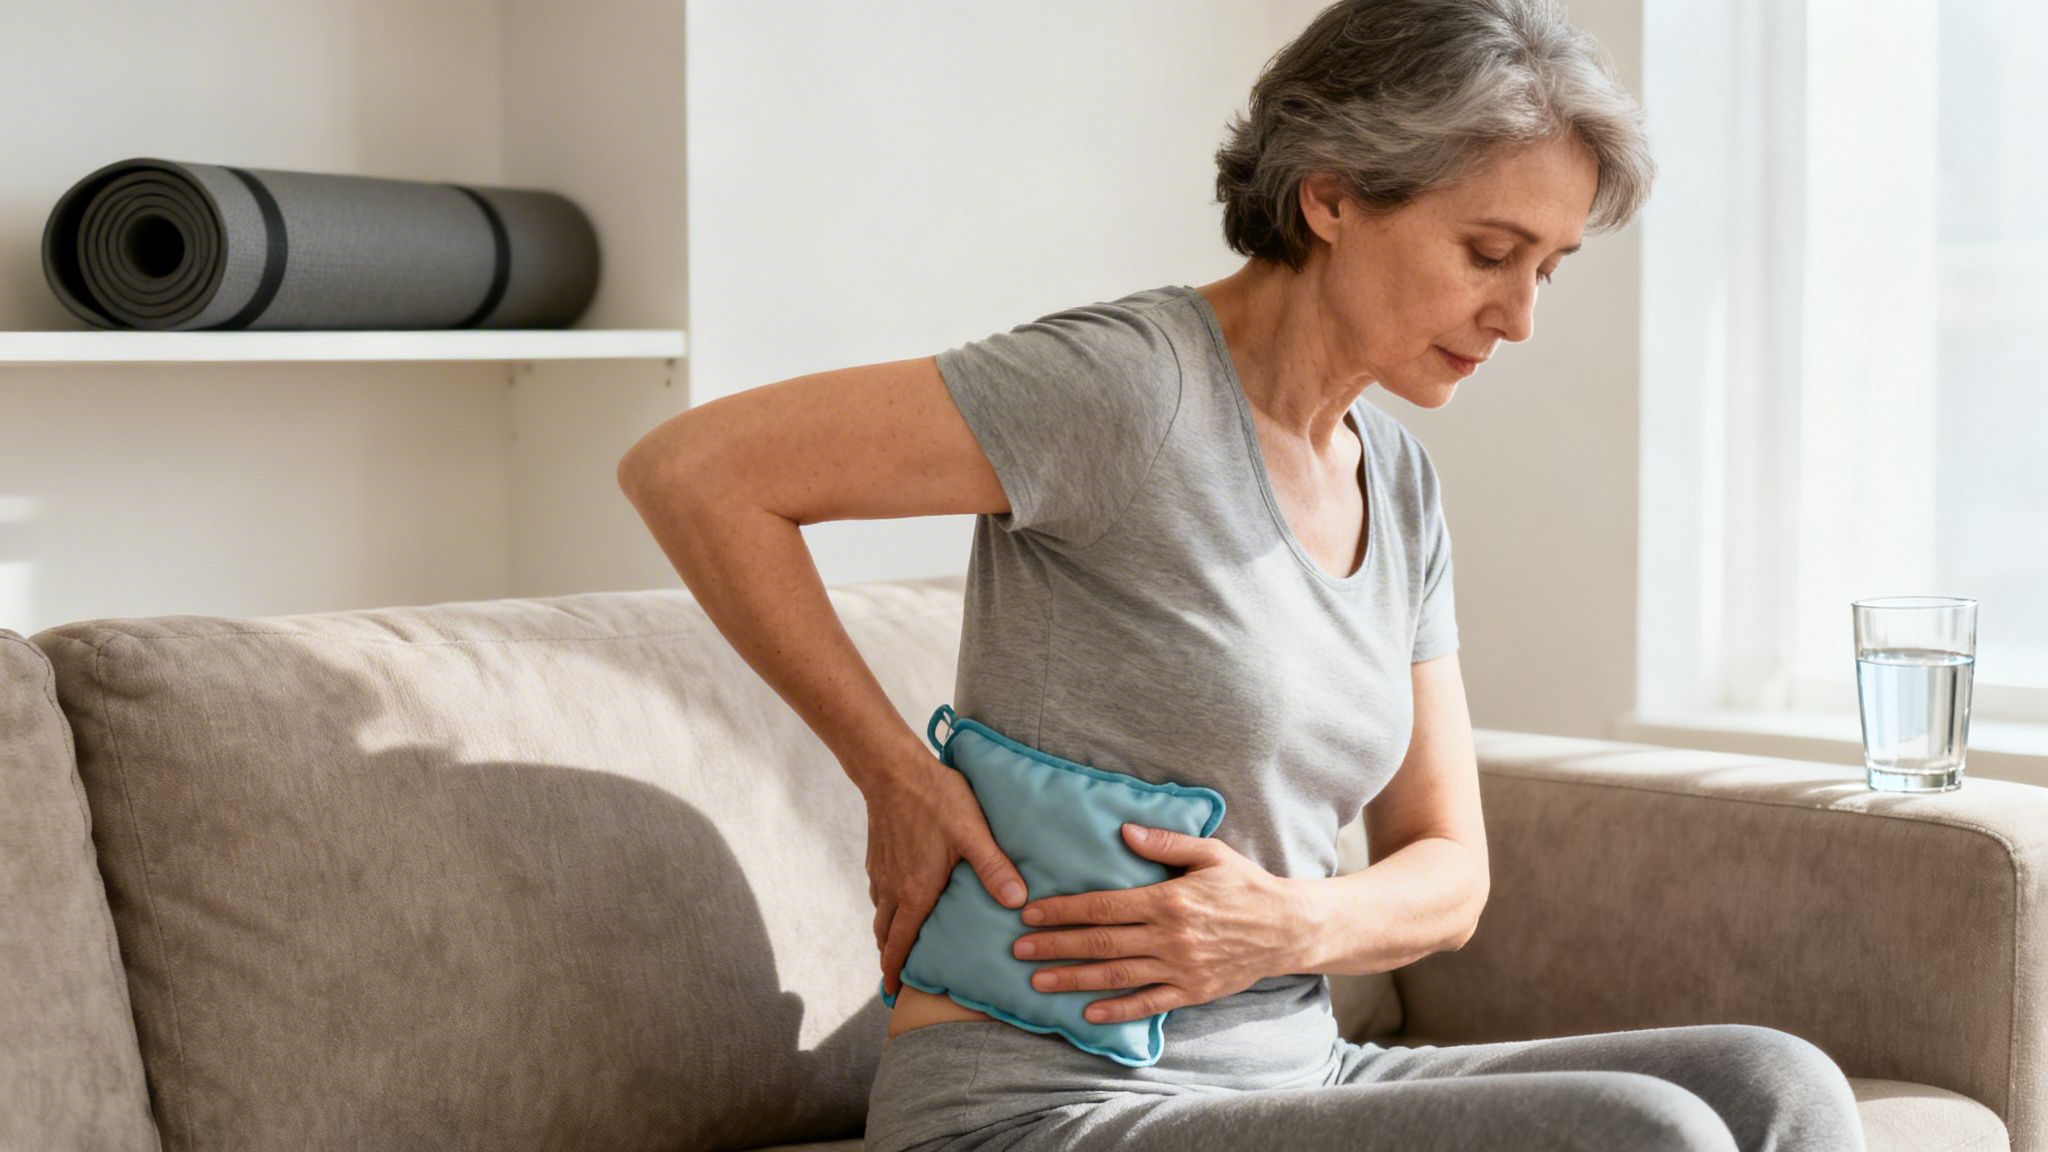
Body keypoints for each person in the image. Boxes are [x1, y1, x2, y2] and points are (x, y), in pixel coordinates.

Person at [618, 1, 1867, 1148]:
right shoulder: (1121, 392)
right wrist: (892, 774)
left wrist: (1287, 926)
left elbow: (1448, 870)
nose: (1518, 316)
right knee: (1645, 1136)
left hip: (1294, 1073)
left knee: (1775, 1085)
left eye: (1546, 267)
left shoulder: (1400, 480)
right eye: (1487, 251)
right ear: (1330, 199)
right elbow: (695, 471)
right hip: (1044, 1105)